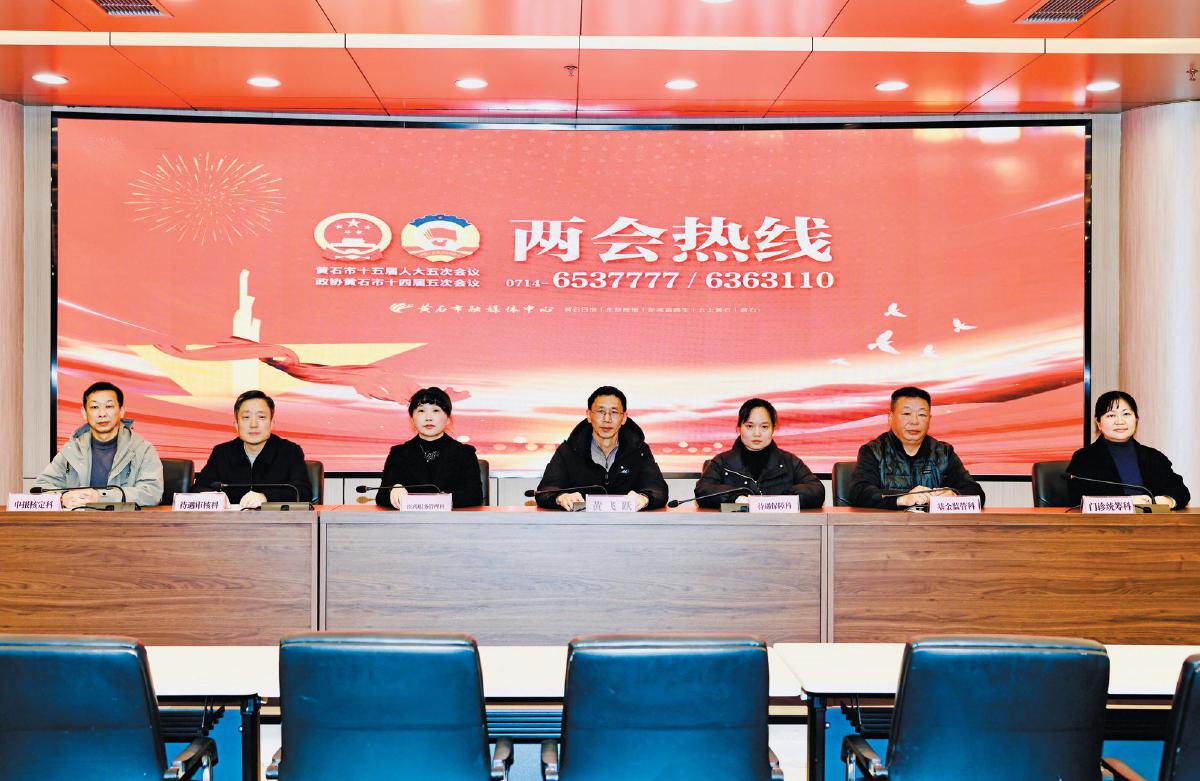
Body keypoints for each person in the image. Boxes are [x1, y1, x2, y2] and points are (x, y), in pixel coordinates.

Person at [848, 386, 985, 509]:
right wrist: (902, 498)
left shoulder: (944, 453)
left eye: (922, 415)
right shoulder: (873, 451)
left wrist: (955, 495)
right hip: (887, 526)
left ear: (930, 419)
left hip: (934, 527)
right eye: (906, 414)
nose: (914, 421)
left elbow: (976, 493)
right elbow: (859, 492)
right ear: (890, 418)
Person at [535, 385, 668, 511]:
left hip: (627, 525)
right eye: (600, 411)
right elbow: (545, 491)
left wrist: (644, 498)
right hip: (581, 525)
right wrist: (561, 497)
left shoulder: (639, 450)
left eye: (614, 412)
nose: (607, 419)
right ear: (589, 415)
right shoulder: (569, 450)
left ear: (624, 418)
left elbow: (658, 490)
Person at [34, 381, 163, 508]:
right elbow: (40, 489)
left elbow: (152, 493)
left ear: (121, 411)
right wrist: (62, 498)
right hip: (79, 520)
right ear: (84, 413)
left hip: (123, 521)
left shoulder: (142, 449)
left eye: (109, 406)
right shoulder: (72, 449)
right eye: (95, 407)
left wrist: (102, 497)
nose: (102, 414)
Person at [1065, 390, 1189, 509]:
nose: (1120, 421)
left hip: (1151, 522)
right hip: (1104, 523)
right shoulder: (1084, 458)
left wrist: (1168, 500)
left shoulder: (1154, 456)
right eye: (1111, 415)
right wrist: (1126, 502)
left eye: (1126, 414)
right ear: (1098, 423)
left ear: (1136, 419)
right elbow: (1078, 498)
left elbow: (1180, 491)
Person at [693, 398, 825, 508]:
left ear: (773, 429)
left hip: (779, 527)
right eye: (750, 426)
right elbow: (702, 491)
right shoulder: (722, 462)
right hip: (735, 529)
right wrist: (735, 497)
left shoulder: (789, 461)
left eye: (764, 427)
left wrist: (783, 499)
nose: (757, 433)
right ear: (739, 428)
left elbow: (817, 490)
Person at [193, 390, 312, 508]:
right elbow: (198, 489)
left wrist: (266, 497)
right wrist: (218, 499)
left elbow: (303, 492)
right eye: (246, 417)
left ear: (271, 424)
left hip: (275, 520)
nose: (253, 425)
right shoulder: (222, 453)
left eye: (261, 417)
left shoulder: (290, 452)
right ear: (236, 425)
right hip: (231, 520)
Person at [378, 386, 483, 509]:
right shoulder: (399, 453)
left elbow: (474, 496)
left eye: (436, 410)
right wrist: (393, 490)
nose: (428, 417)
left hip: (451, 520)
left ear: (448, 418)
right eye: (421, 411)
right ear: (412, 419)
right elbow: (381, 497)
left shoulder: (464, 453)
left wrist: (439, 501)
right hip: (410, 520)